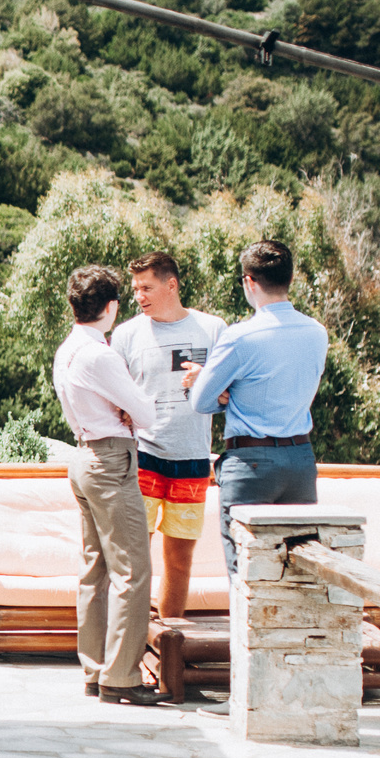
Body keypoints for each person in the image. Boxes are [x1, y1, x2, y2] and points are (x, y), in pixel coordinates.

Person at [183, 238, 330, 574]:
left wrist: (222, 391)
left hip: (250, 465)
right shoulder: (317, 333)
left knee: (246, 572)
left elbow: (201, 401)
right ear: (289, 280)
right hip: (300, 460)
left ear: (249, 282)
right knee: (298, 572)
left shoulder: (240, 337)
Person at [52, 264, 162, 706]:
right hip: (112, 460)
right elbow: (148, 414)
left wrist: (123, 410)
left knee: (94, 571)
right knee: (133, 570)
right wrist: (131, 409)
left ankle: (95, 670)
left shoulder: (67, 349)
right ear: (112, 307)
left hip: (82, 455)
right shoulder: (101, 354)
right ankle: (121, 677)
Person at [113, 251, 226, 621]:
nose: (139, 296)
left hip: (192, 459)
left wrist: (207, 382)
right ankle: (131, 647)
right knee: (134, 559)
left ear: (171, 285)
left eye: (146, 287)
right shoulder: (128, 334)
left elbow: (229, 395)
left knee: (180, 560)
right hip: (142, 457)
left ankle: (168, 649)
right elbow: (112, 397)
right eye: (135, 289)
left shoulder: (213, 329)